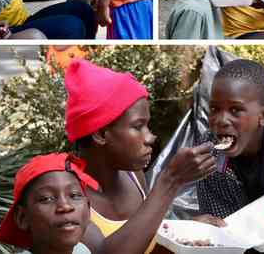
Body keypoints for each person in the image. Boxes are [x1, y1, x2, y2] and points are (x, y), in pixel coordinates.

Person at [64, 59, 217, 253]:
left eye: (148, 125)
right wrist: (170, 181)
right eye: (138, 127)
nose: (151, 137)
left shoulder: (133, 175)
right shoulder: (65, 194)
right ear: (101, 134)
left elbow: (144, 243)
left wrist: (188, 230)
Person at [194, 59, 264, 254]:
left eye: (235, 110)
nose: (221, 120)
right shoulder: (208, 152)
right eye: (214, 109)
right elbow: (219, 226)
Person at [0, 153, 97, 254]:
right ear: (22, 217)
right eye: (46, 198)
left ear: (88, 209)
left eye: (74, 195)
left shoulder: (81, 251)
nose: (66, 206)